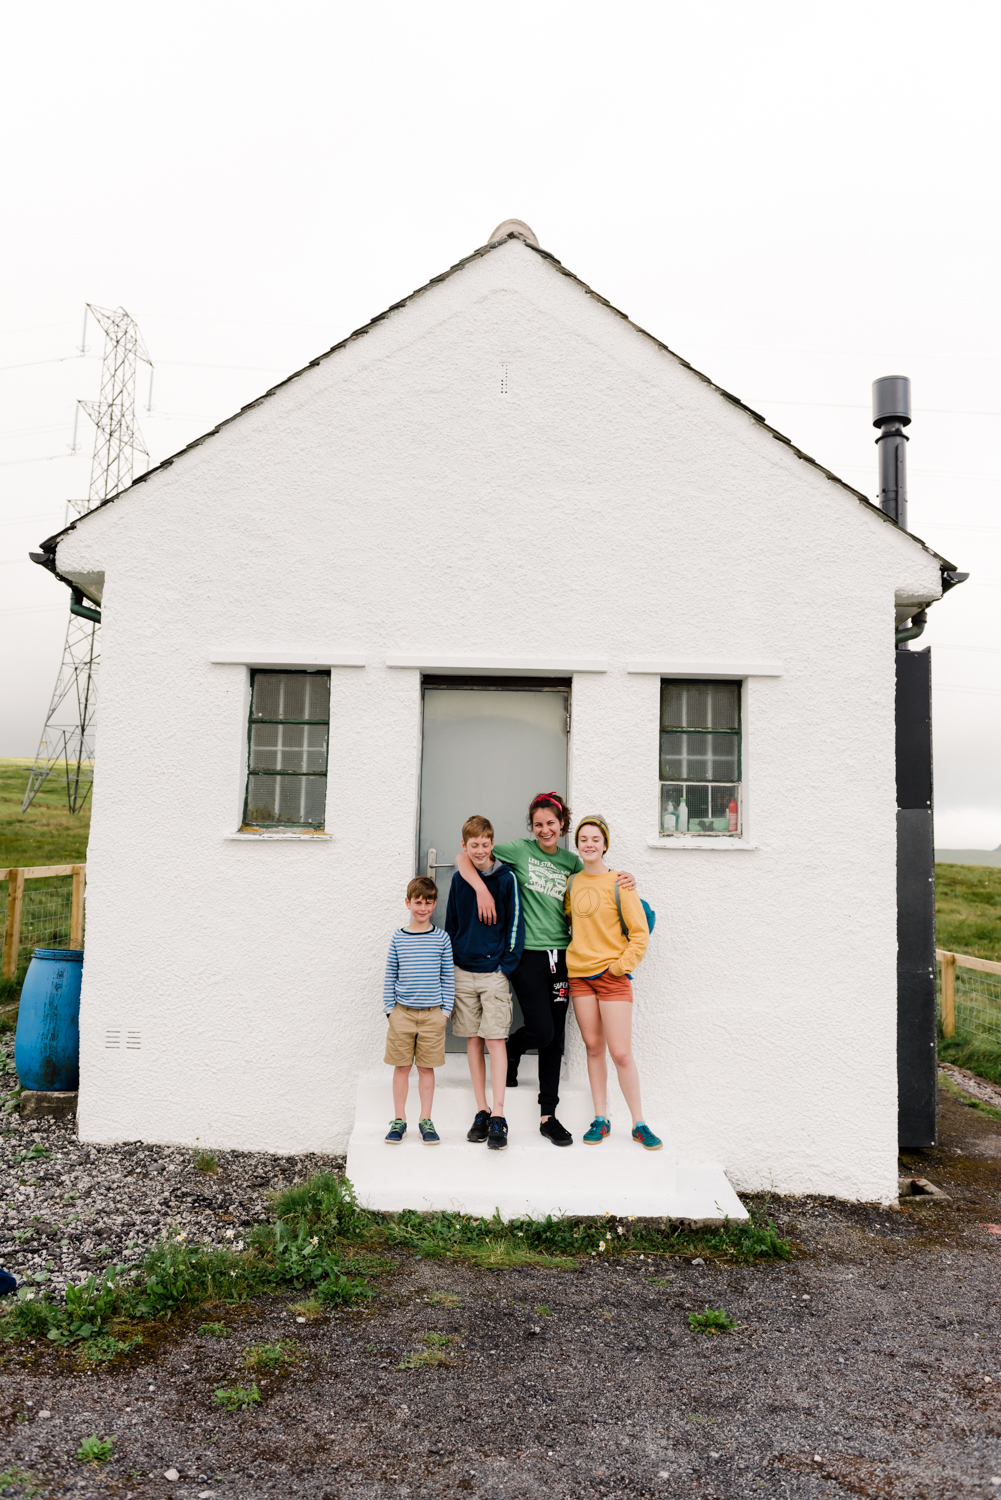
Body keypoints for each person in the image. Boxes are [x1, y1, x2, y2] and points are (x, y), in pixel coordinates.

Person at [455, 792, 637, 1148]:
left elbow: (596, 879)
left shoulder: (572, 861)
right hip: (528, 955)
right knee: (541, 1030)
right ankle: (515, 1046)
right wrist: (481, 890)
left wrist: (624, 878)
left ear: (562, 824)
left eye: (551, 823)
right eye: (538, 824)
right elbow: (466, 856)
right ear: (532, 826)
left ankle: (548, 1116)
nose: (545, 829)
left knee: (554, 1039)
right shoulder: (520, 851)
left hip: (563, 956)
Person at [565, 815, 662, 1150]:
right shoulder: (572, 883)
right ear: (577, 845)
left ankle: (639, 1123)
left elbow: (639, 934)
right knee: (594, 1048)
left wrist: (619, 967)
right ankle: (601, 1119)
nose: (589, 844)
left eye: (595, 839)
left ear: (605, 844)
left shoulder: (621, 883)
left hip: (612, 978)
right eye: (583, 839)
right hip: (580, 977)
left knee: (621, 1053)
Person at [444, 814, 525, 1151]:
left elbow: (515, 924)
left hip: (493, 973)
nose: (479, 850)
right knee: (473, 1040)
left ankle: (499, 1114)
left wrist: (505, 967)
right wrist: (452, 963)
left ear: (493, 844)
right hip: (463, 970)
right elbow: (451, 922)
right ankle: (482, 1109)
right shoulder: (459, 879)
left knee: (495, 1039)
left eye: (485, 844)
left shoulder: (506, 879)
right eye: (473, 845)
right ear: (464, 846)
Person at [382, 875, 454, 1144]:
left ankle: (426, 1120)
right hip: (402, 1014)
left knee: (426, 1068)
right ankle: (399, 1120)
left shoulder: (442, 938)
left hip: (433, 1015)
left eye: (428, 902)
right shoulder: (398, 938)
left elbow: (448, 977)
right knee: (402, 1067)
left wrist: (445, 1012)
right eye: (418, 902)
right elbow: (390, 975)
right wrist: (390, 1011)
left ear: (434, 904)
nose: (423, 908)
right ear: (408, 903)